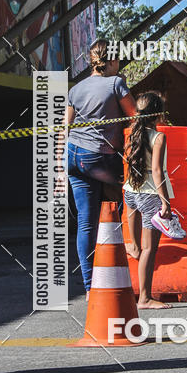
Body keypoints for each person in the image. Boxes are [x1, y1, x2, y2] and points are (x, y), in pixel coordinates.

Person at [66, 38, 136, 298]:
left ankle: (89, 287)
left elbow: (66, 127)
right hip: (98, 157)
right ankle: (132, 253)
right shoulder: (116, 83)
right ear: (112, 60)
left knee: (86, 223)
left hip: (72, 157)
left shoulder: (77, 89)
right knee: (132, 193)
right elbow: (135, 116)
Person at [123, 91, 185, 309]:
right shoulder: (159, 137)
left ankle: (132, 249)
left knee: (138, 248)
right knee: (150, 250)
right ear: (159, 114)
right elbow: (157, 170)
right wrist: (165, 201)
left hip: (130, 192)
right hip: (150, 196)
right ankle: (144, 298)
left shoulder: (132, 133)